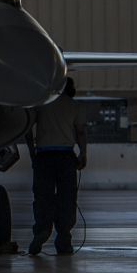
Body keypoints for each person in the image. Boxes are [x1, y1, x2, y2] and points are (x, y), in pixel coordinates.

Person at [24, 77, 87, 255]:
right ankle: (64, 238)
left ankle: (42, 230)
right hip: (66, 156)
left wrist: (31, 150)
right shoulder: (75, 106)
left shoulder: (41, 104)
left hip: (44, 156)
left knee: (43, 196)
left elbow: (28, 128)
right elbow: (81, 132)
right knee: (67, 198)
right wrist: (83, 153)